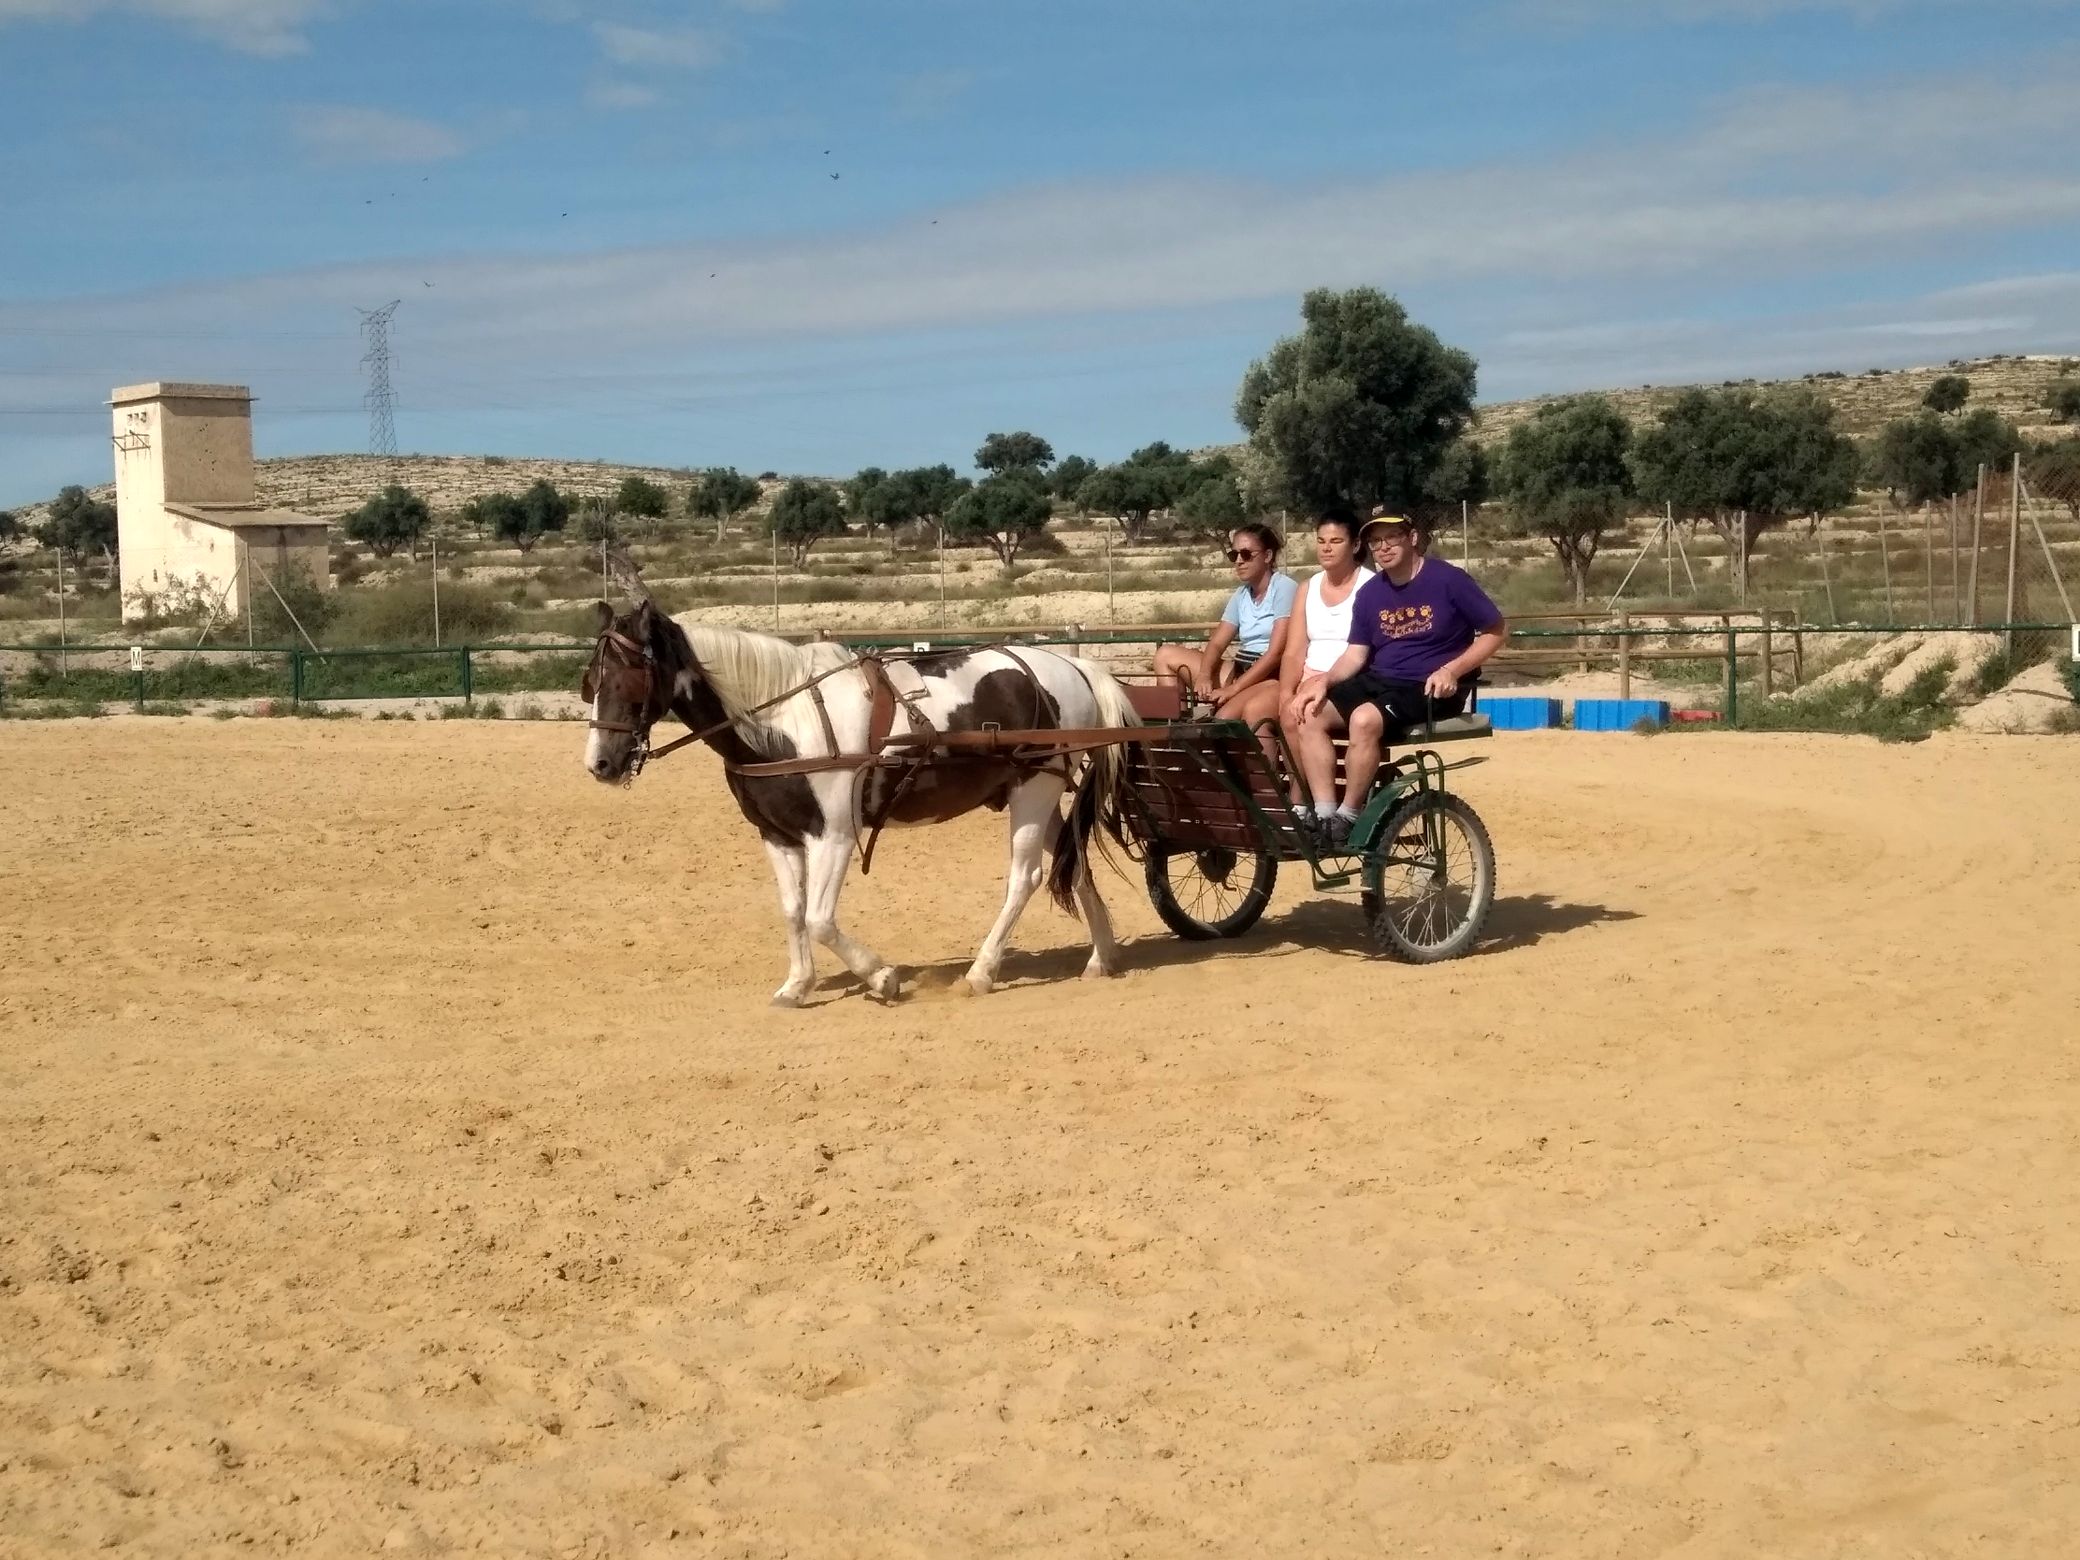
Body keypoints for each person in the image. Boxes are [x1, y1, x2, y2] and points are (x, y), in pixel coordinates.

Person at [1292, 510, 1508, 850]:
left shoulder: (1448, 579)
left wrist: (1453, 669)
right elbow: (1355, 655)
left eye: (1392, 537)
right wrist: (1323, 681)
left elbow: (1496, 631)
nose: (1383, 547)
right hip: (1381, 679)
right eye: (1376, 541)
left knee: (1364, 719)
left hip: (1431, 685)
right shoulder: (1370, 594)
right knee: (1309, 712)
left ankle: (1349, 817)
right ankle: (1324, 815)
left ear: (1412, 538)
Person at [1153, 522, 1296, 712]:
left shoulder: (1284, 588)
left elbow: (1275, 654)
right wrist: (1204, 674)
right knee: (1165, 655)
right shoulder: (1241, 594)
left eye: (1245, 554)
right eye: (1233, 555)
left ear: (1267, 556)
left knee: (1223, 718)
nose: (1238, 561)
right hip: (1239, 668)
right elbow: (1217, 643)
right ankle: (1175, 723)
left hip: (1269, 675)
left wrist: (1233, 689)